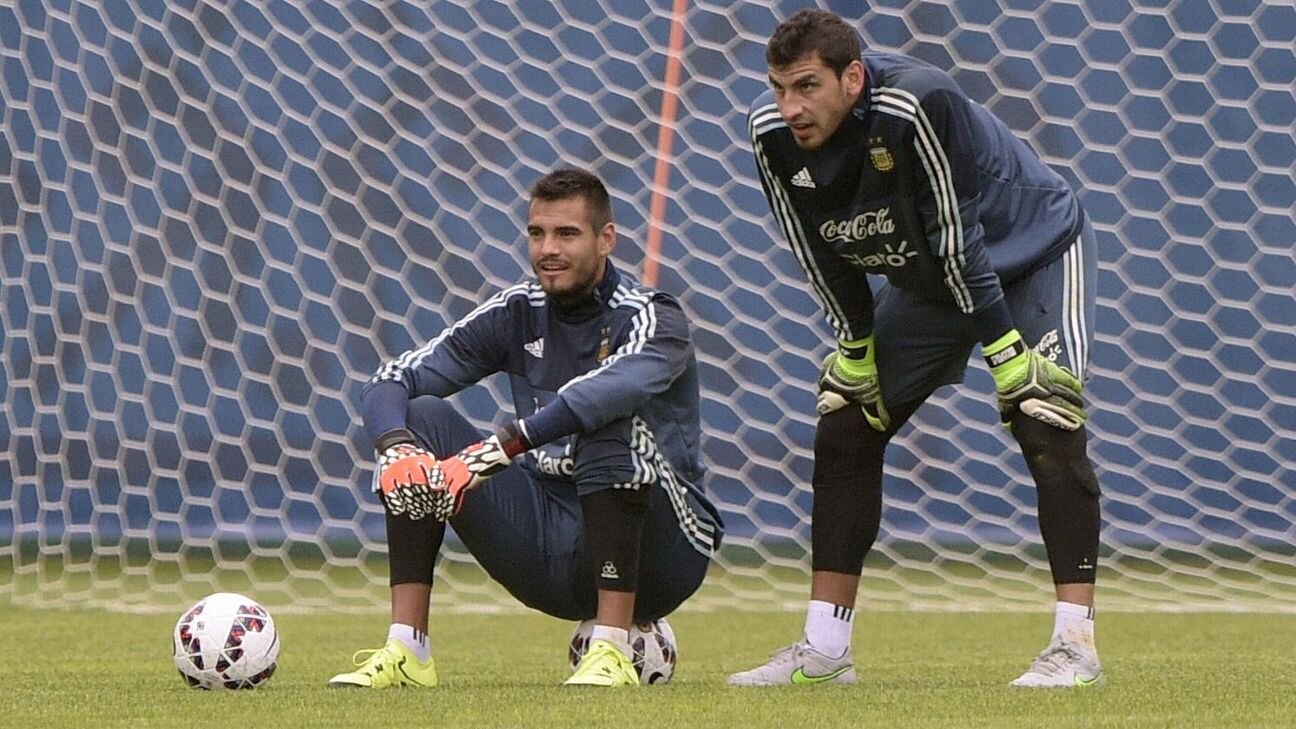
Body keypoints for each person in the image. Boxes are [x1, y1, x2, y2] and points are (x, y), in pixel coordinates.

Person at [729, 10, 1103, 688]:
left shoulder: (914, 103)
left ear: (852, 76)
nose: (791, 107)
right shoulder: (771, 135)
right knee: (846, 420)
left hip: (1031, 254)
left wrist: (1008, 355)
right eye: (780, 88)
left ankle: (1075, 648)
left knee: (1044, 414)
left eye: (807, 86)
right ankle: (824, 650)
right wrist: (857, 345)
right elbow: (819, 252)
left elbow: (961, 240)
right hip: (933, 277)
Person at [329, 167, 723, 688]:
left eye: (566, 234)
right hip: (552, 548)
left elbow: (600, 396)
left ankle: (610, 650)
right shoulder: (517, 311)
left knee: (604, 426)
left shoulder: (655, 317)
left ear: (606, 240)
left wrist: (499, 448)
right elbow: (391, 379)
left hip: (663, 554)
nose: (547, 249)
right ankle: (407, 651)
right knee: (422, 418)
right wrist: (396, 448)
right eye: (537, 234)